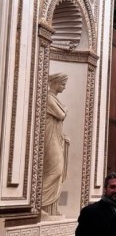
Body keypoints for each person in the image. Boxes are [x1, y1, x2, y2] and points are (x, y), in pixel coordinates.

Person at [42, 73, 70, 217]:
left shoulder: (54, 99)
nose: (64, 87)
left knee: (58, 172)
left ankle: (50, 209)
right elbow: (61, 114)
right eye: (63, 84)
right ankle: (40, 204)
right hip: (49, 138)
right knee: (55, 171)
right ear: (55, 83)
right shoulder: (48, 98)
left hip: (57, 138)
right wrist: (65, 109)